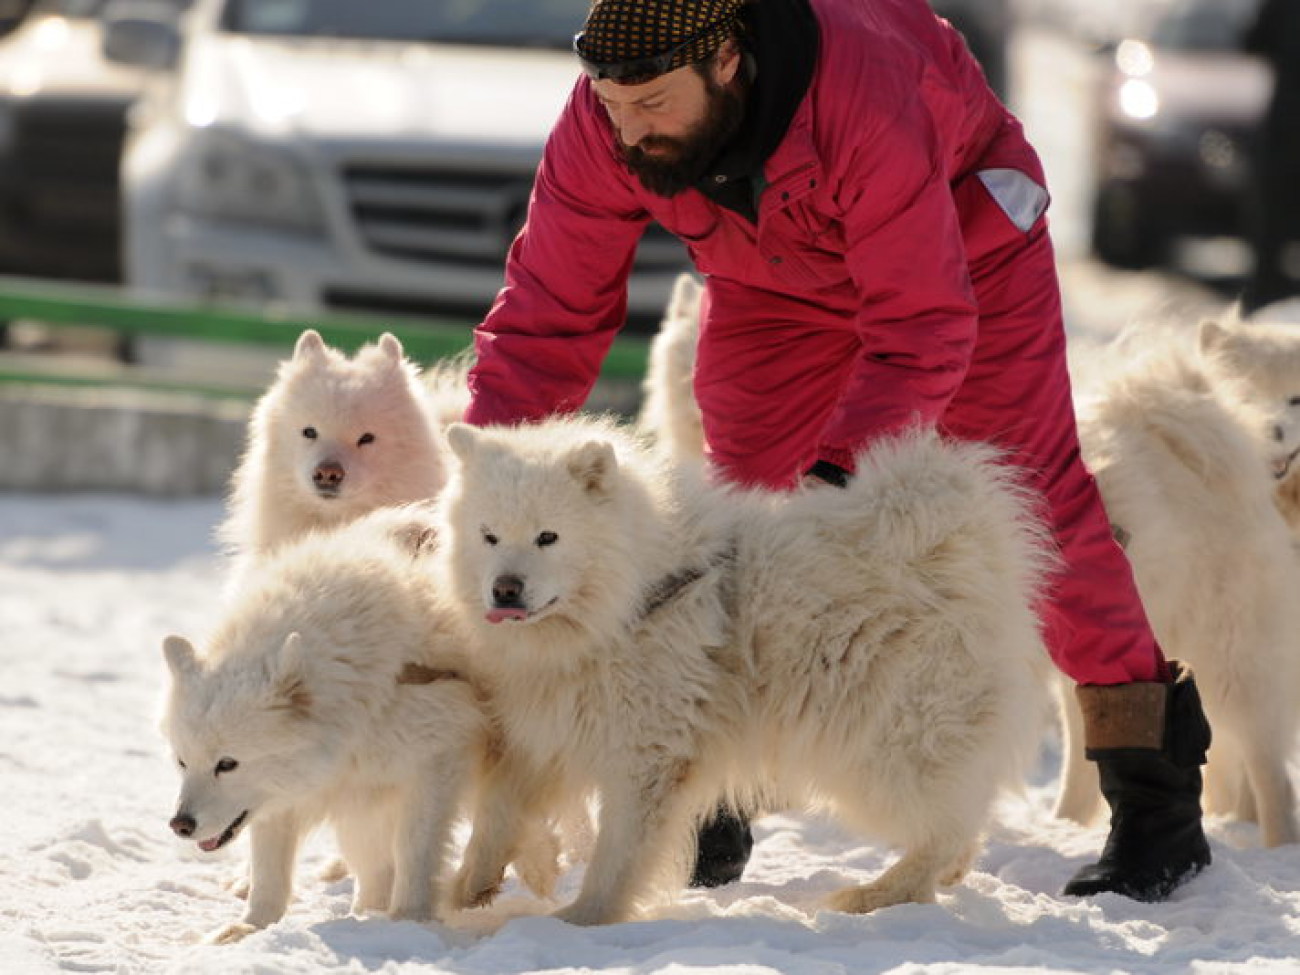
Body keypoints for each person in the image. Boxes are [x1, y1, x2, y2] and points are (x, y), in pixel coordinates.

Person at [463, 0, 1212, 902]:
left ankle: (1153, 791)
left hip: (964, 252)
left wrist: (841, 472)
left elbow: (921, 325)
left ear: (727, 63)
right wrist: (481, 489)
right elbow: (548, 315)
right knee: (737, 515)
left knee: (1036, 498)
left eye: (653, 105)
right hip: (775, 283)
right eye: (613, 106)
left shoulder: (861, 95)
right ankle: (711, 791)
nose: (629, 130)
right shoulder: (609, 114)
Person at [1241, 0, 1300, 314]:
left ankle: (1263, 299)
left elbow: (1251, 41)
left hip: (1285, 132)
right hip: (1284, 131)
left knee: (1271, 232)